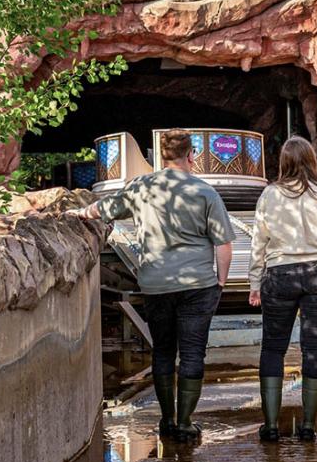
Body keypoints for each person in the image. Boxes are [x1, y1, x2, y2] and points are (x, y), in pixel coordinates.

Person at [68, 129, 235, 441]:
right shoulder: (205, 192)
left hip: (156, 284)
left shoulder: (141, 187)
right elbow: (223, 245)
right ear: (191, 155)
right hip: (198, 285)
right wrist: (220, 283)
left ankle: (167, 421)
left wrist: (78, 212)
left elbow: (103, 209)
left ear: (160, 156)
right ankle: (185, 423)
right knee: (192, 353)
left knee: (163, 351)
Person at [247, 137, 317, 442]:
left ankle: (271, 425)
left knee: (273, 348)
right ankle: (308, 425)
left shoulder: (269, 194)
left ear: (284, 163)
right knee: (314, 347)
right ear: (312, 160)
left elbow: (258, 242)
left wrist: (255, 282)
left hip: (280, 275)